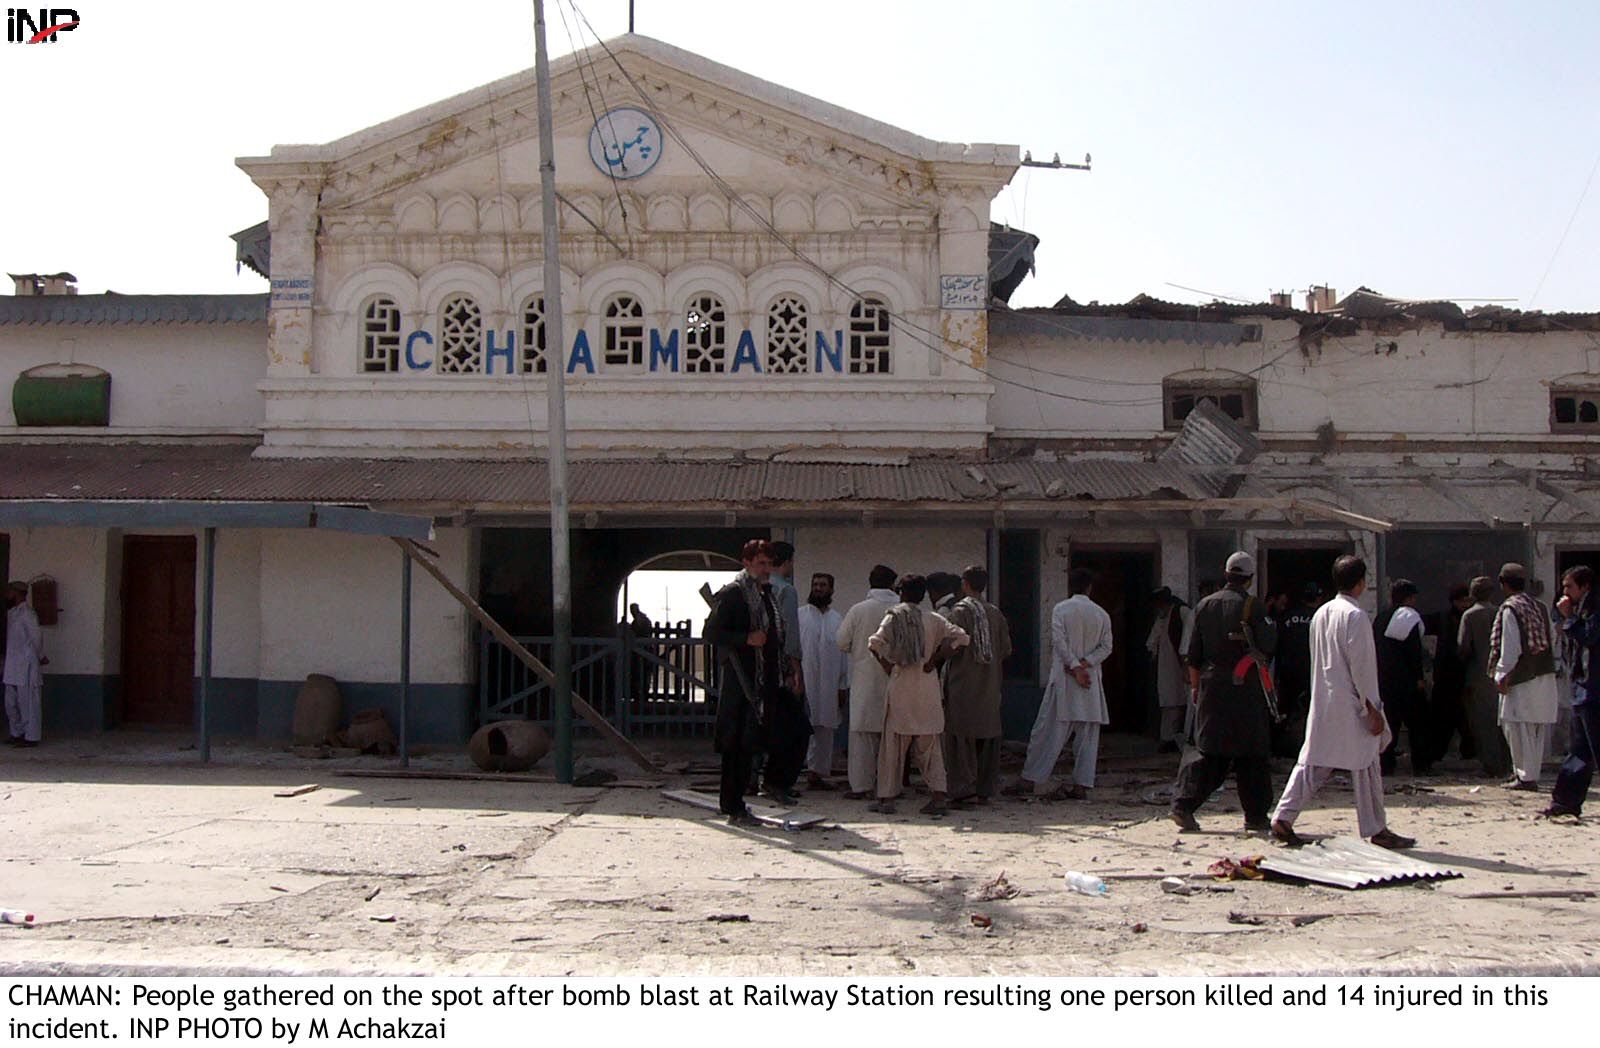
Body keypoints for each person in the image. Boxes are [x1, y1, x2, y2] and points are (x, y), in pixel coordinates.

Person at [1270, 556, 1415, 850]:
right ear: (1361, 583)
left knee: (1313, 762)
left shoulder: (1321, 613)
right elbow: (1362, 666)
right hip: (1351, 703)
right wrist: (1372, 707)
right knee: (1367, 763)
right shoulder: (1355, 616)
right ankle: (1376, 827)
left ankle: (1284, 815)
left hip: (1325, 700)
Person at [1169, 552, 1277, 833]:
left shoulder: (1204, 605)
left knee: (1210, 753)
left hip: (1210, 687)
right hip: (1245, 691)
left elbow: (1193, 655)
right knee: (1252, 755)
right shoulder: (1253, 607)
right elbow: (1267, 647)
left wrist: (1195, 688)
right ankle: (1255, 816)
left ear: (1226, 574)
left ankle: (1183, 805)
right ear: (1250, 579)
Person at [703, 540, 806, 823]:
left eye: (769, 564)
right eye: (760, 563)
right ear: (747, 563)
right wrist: (745, 639)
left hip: (767, 681)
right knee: (737, 745)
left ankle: (770, 785)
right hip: (742, 682)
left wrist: (788, 668)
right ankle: (733, 806)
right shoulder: (735, 594)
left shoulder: (767, 595)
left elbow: (776, 636)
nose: (765, 569)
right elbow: (711, 632)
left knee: (783, 733)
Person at [866, 574, 968, 815]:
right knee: (930, 748)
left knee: (893, 748)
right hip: (927, 686)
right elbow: (962, 637)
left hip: (901, 685)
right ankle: (938, 796)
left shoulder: (894, 617)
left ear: (901, 593)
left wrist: (887, 665)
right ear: (923, 595)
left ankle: (887, 799)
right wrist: (936, 658)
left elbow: (874, 643)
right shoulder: (933, 619)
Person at [1008, 568, 1112, 801]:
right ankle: (1082, 785)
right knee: (1087, 737)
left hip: (1067, 680)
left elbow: (1059, 641)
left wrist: (1075, 667)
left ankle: (1031, 778)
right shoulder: (1101, 614)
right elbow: (1106, 647)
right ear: (1089, 588)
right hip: (1089, 681)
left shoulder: (1061, 610)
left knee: (1046, 732)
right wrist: (1085, 664)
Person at [939, 565, 1012, 806]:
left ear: (964, 584)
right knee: (987, 737)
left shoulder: (959, 613)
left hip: (963, 684)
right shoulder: (995, 613)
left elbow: (949, 646)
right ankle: (985, 789)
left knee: (960, 738)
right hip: (990, 685)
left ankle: (963, 789)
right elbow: (1005, 649)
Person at [1490, 563, 1560, 790]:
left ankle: (1525, 776)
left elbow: (1510, 648)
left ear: (1503, 583)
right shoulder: (1538, 606)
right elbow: (1552, 638)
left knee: (1517, 727)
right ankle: (1529, 773)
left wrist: (1501, 675)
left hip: (1520, 678)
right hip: (1544, 675)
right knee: (1535, 730)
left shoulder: (1510, 609)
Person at [836, 565, 900, 799]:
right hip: (896, 680)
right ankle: (890, 787)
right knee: (891, 739)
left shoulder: (859, 610)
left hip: (864, 681)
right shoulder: (901, 610)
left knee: (862, 739)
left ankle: (862, 787)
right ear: (893, 584)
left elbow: (842, 641)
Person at [1546, 566, 1600, 817]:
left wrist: (1569, 619)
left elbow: (1589, 636)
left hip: (1595, 689)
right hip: (1582, 688)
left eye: (1569, 587)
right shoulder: (1578, 611)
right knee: (1579, 750)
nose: (1564, 592)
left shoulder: (1594, 609)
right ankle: (1565, 801)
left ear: (1585, 587)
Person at [1375, 579, 1433, 776]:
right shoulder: (1409, 617)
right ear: (1409, 598)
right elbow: (1413, 651)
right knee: (1418, 724)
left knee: (1389, 723)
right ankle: (1421, 765)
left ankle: (1386, 764)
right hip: (1407, 681)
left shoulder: (1380, 618)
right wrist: (1419, 678)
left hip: (1384, 680)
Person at [797, 573, 849, 790]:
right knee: (802, 727)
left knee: (826, 729)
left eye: (823, 585)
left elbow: (845, 656)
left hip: (829, 685)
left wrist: (842, 686)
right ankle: (798, 772)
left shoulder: (838, 620)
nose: (818, 588)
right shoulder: (800, 616)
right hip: (804, 682)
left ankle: (817, 774)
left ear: (831, 590)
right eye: (815, 585)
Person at [1458, 576, 1512, 778]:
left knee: (1483, 724)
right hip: (1502, 675)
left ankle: (1490, 765)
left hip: (1478, 675)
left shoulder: (1470, 616)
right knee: (1504, 722)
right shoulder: (1501, 612)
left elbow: (1463, 647)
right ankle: (1507, 764)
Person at [1431, 582, 1477, 762]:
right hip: (1447, 676)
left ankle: (1468, 751)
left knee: (1463, 719)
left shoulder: (1470, 617)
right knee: (1446, 718)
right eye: (1463, 600)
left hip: (1463, 676)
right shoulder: (1445, 618)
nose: (1466, 604)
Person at [1146, 587, 1192, 754]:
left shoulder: (1182, 612)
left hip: (1179, 664)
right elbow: (1153, 640)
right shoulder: (1162, 617)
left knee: (1180, 700)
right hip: (1165, 664)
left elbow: (1188, 639)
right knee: (1168, 699)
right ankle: (1167, 737)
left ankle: (1177, 738)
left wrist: (1186, 663)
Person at [4, 581, 45, 747]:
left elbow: (36, 637)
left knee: (27, 702)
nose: (7, 595)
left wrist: (40, 656)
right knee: (11, 702)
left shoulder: (28, 613)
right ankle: (16, 733)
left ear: (17, 593)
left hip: (26, 663)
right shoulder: (12, 613)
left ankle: (31, 736)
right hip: (12, 664)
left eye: (10, 592)